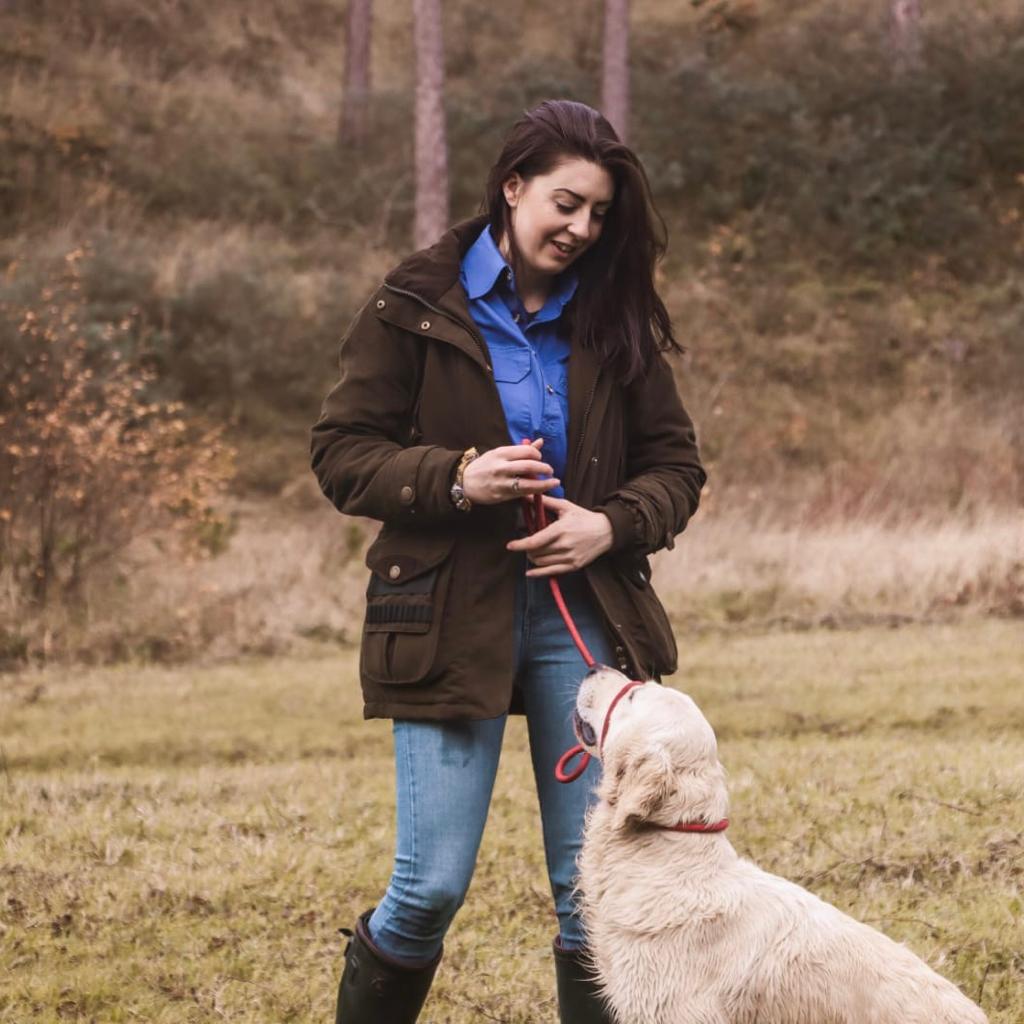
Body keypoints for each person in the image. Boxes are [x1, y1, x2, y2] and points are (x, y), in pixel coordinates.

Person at [310, 98, 706, 1024]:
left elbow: (677, 469)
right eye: (566, 203)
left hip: (585, 623)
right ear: (513, 185)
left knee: (591, 898)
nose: (581, 228)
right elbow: (340, 453)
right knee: (429, 886)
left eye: (600, 213)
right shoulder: (412, 303)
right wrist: (457, 478)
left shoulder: (614, 319)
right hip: (446, 619)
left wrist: (608, 527)